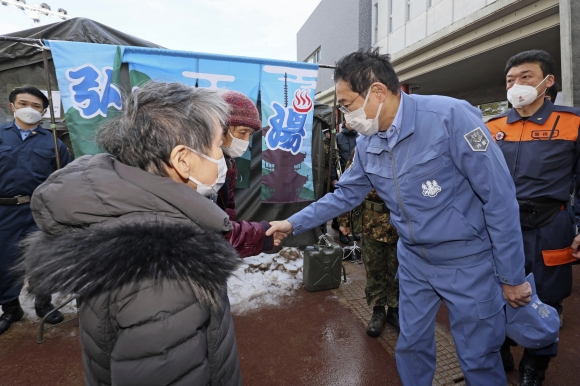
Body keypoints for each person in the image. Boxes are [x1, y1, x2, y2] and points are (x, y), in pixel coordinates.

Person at [266, 48, 531, 385]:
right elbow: (345, 194)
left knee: (478, 355)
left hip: (468, 262)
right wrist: (292, 223)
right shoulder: (367, 142)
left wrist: (511, 275)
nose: (346, 116)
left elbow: (500, 198)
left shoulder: (450, 117)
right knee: (411, 345)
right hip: (414, 261)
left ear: (377, 91)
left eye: (347, 104)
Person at [19, 82, 242, 385]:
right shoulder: (162, 277)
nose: (224, 156)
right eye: (218, 145)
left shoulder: (123, 219)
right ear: (182, 160)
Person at [486, 49, 580, 386]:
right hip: (498, 228)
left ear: (547, 81)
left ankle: (535, 365)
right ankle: (500, 349)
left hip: (551, 225)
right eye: (510, 80)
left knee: (548, 299)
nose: (516, 85)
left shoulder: (573, 122)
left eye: (525, 77)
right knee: (495, 293)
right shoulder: (490, 127)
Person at [0, 86, 72, 335]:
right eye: (23, 103)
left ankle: (44, 303)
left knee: (44, 258)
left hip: (39, 209)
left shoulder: (52, 142)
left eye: (36, 106)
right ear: (12, 106)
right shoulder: (1, 134)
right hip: (4, 209)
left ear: (43, 112)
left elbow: (65, 177)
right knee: (5, 260)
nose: (29, 109)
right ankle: (10, 308)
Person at [338, 149, 399, 337]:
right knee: (374, 269)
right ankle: (378, 310)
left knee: (398, 270)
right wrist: (344, 220)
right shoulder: (362, 150)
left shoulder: (405, 145)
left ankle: (395, 310)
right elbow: (348, 186)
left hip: (400, 223)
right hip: (371, 223)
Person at [218, 90, 274, 257]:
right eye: (242, 133)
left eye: (250, 135)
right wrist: (262, 234)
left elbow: (225, 219)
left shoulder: (230, 165)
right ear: (220, 128)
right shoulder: (199, 166)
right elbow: (214, 230)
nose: (246, 141)